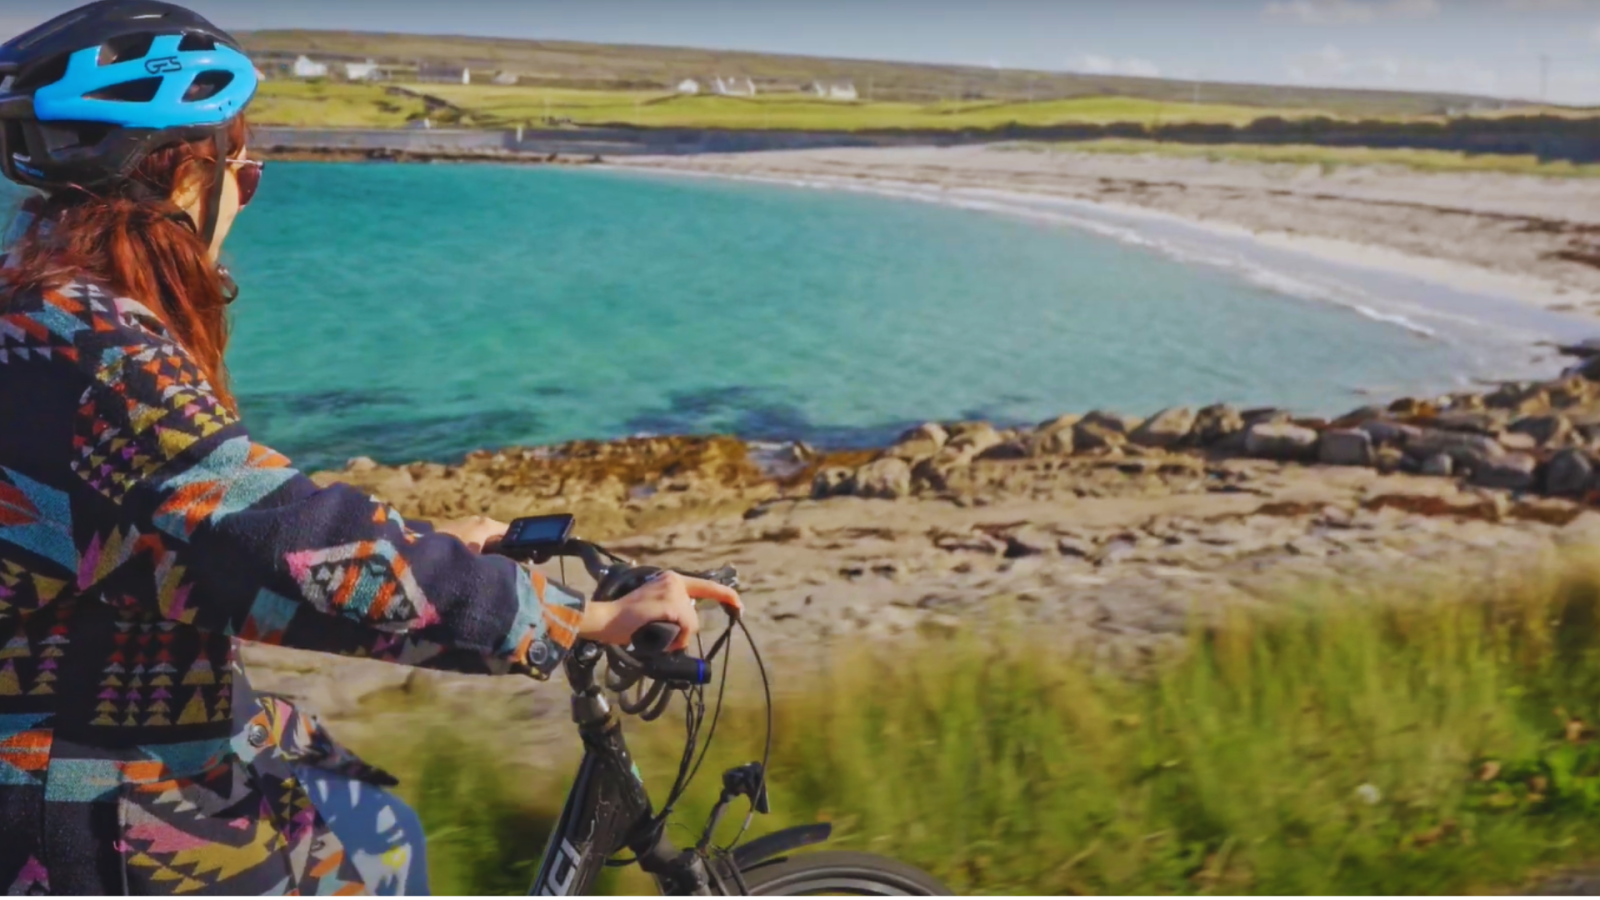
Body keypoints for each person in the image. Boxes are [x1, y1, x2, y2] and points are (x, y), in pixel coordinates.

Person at [0, 2, 742, 895]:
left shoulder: (44, 323)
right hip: (92, 800)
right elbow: (265, 538)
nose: (243, 200)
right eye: (247, 174)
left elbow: (189, 530)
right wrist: (574, 617)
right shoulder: (98, 354)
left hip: (134, 726)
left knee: (378, 837)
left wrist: (420, 539)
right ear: (191, 174)